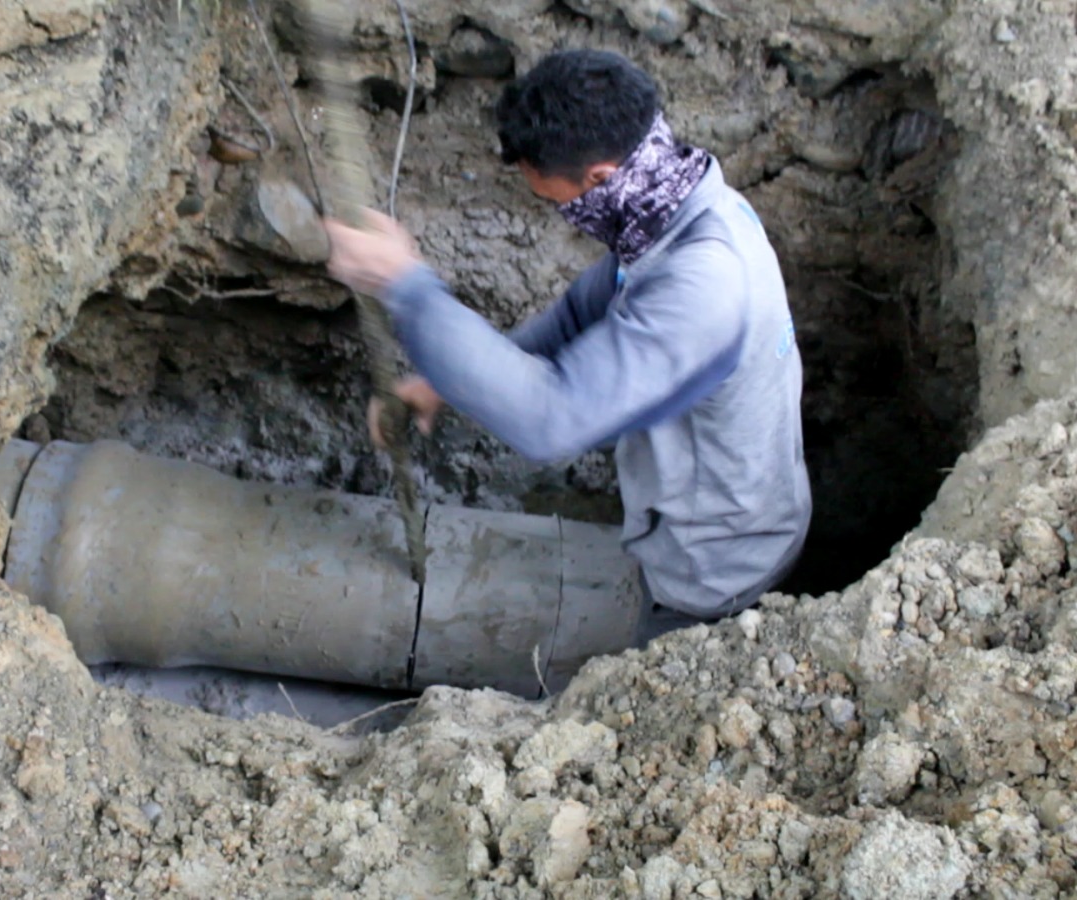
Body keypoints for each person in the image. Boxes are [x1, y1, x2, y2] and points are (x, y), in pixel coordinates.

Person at [323, 49, 813, 648]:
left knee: (646, 677)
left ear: (601, 178)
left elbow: (550, 420)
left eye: (557, 200)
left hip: (714, 569)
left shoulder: (704, 283)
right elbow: (580, 314)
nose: (562, 215)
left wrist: (408, 287)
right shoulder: (672, 210)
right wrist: (439, 383)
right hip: (714, 510)